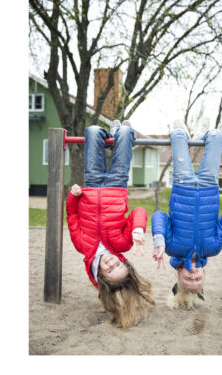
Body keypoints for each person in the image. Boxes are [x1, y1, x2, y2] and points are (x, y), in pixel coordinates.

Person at [66, 120, 155, 328]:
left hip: (92, 182)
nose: (112, 263)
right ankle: (116, 135)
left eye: (110, 269)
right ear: (123, 261)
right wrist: (138, 229)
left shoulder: (82, 246)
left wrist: (73, 196)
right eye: (118, 264)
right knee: (126, 131)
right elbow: (139, 212)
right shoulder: (123, 244)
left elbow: (71, 215)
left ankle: (109, 135)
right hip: (117, 184)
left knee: (93, 131)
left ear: (100, 275)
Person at [151, 120, 222, 310]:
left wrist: (159, 240)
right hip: (209, 185)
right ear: (204, 274)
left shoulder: (172, 248)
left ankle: (185, 135)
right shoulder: (213, 248)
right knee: (216, 134)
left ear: (179, 274)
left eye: (188, 278)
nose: (193, 274)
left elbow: (159, 216)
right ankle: (200, 138)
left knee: (177, 134)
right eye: (197, 278)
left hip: (182, 185)